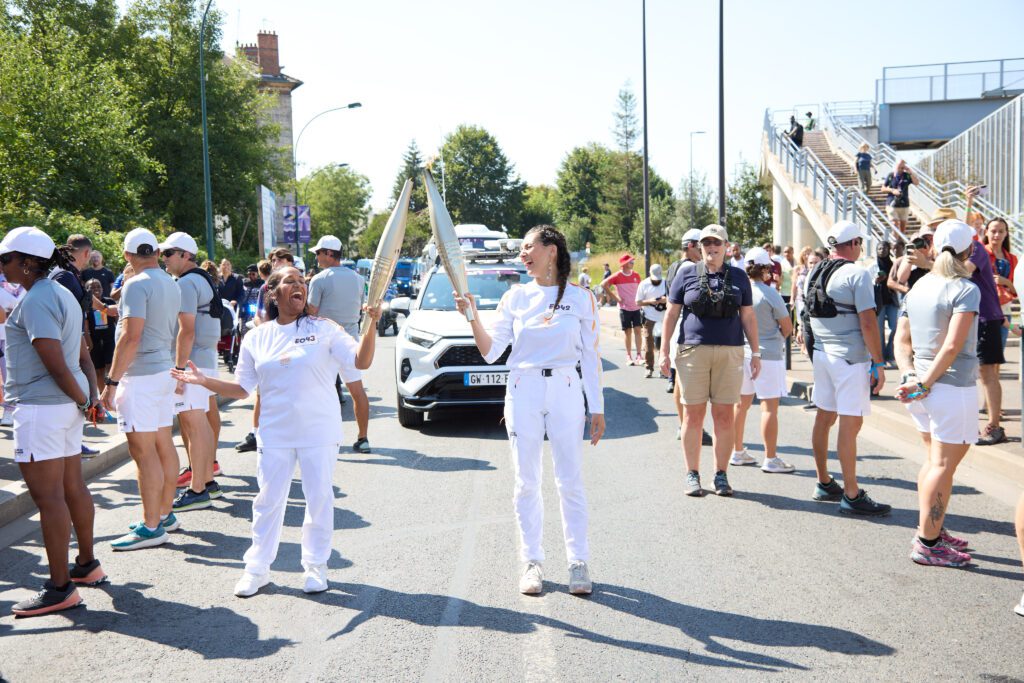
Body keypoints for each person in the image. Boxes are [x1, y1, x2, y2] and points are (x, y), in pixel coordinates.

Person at [172, 266, 381, 597]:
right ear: (273, 292)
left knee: (319, 500)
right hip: (275, 432)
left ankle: (315, 567)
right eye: (291, 282)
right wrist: (203, 381)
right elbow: (242, 388)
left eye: (302, 282)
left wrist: (370, 326)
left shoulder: (325, 329)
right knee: (267, 501)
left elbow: (362, 360)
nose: (299, 285)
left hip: (319, 431)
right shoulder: (257, 337)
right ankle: (257, 569)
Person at [455, 225, 604, 596]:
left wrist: (596, 407)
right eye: (522, 249)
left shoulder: (581, 298)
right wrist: (472, 316)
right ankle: (531, 561)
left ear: (551, 250)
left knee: (569, 479)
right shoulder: (516, 297)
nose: (523, 255)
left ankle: (578, 561)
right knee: (526, 480)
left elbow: (590, 355)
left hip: (566, 387)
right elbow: (491, 352)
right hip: (524, 388)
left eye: (528, 247)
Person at [1, 227, 105, 617]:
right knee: (71, 486)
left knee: (50, 499)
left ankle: (60, 587)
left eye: (5, 259)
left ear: (27, 262)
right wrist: (89, 400)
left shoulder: (40, 298)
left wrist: (86, 400)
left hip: (43, 408)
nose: (2, 266)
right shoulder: (61, 292)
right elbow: (82, 356)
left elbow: (56, 362)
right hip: (64, 406)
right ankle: (87, 565)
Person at [894, 220, 979, 567]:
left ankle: (931, 529)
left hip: (923, 388)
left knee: (933, 463)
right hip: (949, 386)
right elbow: (952, 346)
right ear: (969, 251)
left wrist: (912, 376)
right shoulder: (964, 288)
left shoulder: (917, 286)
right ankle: (928, 542)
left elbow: (901, 341)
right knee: (942, 466)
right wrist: (925, 381)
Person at [659, 225, 759, 497]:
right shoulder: (686, 273)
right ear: (699, 247)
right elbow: (671, 314)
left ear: (727, 246)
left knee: (725, 415)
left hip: (730, 351)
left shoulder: (738, 276)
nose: (711, 248)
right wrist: (663, 351)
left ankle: (721, 474)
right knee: (693, 415)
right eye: (706, 244)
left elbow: (748, 316)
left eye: (717, 243)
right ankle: (692, 474)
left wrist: (757, 352)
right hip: (693, 351)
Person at [100, 228, 182, 550]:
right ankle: (164, 514)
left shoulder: (135, 285)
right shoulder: (169, 283)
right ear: (158, 253)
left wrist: (111, 382)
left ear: (127, 256)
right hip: (163, 370)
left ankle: (151, 526)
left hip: (142, 376)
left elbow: (130, 337)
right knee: (163, 443)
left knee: (143, 453)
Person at [803, 220, 891, 516]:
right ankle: (852, 494)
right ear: (853, 244)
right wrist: (879, 363)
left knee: (824, 417)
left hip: (822, 354)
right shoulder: (857, 273)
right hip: (850, 358)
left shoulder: (813, 271)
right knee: (851, 424)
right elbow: (868, 322)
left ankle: (824, 481)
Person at [159, 233, 221, 513]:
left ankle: (197, 489)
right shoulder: (201, 278)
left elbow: (186, 329)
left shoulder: (186, 282)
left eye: (169, 253)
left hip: (192, 360)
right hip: (204, 357)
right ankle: (206, 482)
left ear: (185, 255)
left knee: (194, 425)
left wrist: (180, 369)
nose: (164, 258)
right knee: (202, 424)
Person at [731, 247, 795, 473]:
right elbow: (787, 327)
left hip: (743, 352)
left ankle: (737, 452)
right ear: (765, 269)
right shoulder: (770, 293)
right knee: (769, 409)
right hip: (768, 354)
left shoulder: (739, 291)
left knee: (741, 404)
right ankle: (771, 458)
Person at [306, 235, 372, 453]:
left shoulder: (319, 279)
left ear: (328, 253)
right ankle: (363, 438)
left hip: (323, 342)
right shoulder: (358, 278)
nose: (316, 257)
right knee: (357, 391)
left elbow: (312, 311)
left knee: (317, 393)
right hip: (350, 341)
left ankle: (321, 439)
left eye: (318, 253)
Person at [50, 234, 101, 458]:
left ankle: (73, 443)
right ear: (86, 253)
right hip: (66, 341)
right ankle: (69, 445)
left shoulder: (68, 274)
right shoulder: (66, 277)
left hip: (70, 338)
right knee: (71, 388)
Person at [664, 229, 713, 446]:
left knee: (679, 381)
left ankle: (683, 424)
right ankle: (690, 426)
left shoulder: (674, 266)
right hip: (685, 329)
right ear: (692, 245)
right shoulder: (690, 269)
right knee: (686, 383)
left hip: (677, 328)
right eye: (701, 245)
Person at [981, 217, 1017, 352]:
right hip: (984, 311)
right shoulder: (979, 253)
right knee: (984, 358)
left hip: (1004, 311)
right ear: (986, 232)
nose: (997, 235)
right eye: (993, 231)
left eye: (1001, 231)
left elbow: (1016, 291)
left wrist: (1006, 282)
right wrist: (969, 203)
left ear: (1006, 233)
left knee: (998, 356)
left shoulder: (1012, 259)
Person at [601, 254, 644, 365]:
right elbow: (603, 284)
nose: (633, 263)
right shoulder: (617, 276)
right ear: (624, 264)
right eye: (631, 262)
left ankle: (639, 355)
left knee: (638, 331)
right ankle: (629, 356)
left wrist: (642, 302)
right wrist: (616, 298)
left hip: (636, 308)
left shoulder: (636, 275)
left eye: (633, 262)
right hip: (624, 309)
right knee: (628, 332)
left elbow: (640, 289)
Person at [635, 263, 667, 378]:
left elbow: (674, 299)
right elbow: (638, 302)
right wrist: (651, 301)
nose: (656, 282)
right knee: (649, 345)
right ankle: (649, 368)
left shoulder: (666, 283)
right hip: (649, 318)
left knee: (663, 345)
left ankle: (663, 369)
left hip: (664, 318)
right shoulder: (644, 284)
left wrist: (665, 300)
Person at [85, 279, 117, 384]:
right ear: (86, 290)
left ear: (103, 288)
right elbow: (85, 325)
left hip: (110, 340)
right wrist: (88, 341)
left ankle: (112, 395)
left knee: (112, 367)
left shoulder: (109, 302)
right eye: (92, 287)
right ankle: (102, 395)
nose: (96, 289)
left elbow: (118, 320)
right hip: (95, 342)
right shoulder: (85, 305)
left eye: (98, 286)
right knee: (98, 370)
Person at [875, 242, 899, 364]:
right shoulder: (873, 265)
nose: (882, 250)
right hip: (878, 302)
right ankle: (881, 357)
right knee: (878, 331)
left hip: (892, 301)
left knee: (895, 327)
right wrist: (876, 280)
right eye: (879, 248)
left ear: (889, 249)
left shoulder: (893, 264)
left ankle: (890, 354)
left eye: (885, 248)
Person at [883, 159, 919, 234]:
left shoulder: (907, 175)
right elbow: (883, 188)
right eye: (899, 167)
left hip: (904, 204)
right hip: (892, 203)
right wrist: (892, 190)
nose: (901, 169)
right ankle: (895, 242)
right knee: (894, 224)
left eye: (903, 167)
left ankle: (900, 243)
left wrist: (910, 171)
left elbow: (916, 183)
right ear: (895, 166)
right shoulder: (891, 175)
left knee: (902, 228)